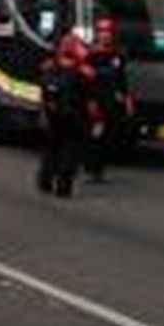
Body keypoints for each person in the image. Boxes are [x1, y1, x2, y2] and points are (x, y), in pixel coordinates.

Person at [38, 31, 101, 198]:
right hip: (74, 116)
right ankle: (63, 186)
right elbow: (91, 101)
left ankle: (45, 180)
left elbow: (43, 93)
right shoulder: (84, 72)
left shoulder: (48, 67)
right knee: (70, 151)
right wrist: (96, 120)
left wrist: (43, 112)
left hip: (53, 114)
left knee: (51, 148)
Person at [86, 16, 134, 182]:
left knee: (108, 135)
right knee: (96, 134)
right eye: (101, 31)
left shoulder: (117, 54)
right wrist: (90, 101)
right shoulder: (90, 54)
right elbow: (86, 80)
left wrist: (127, 99)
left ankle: (97, 166)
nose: (105, 35)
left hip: (111, 100)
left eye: (108, 31)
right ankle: (93, 169)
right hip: (94, 100)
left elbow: (121, 79)